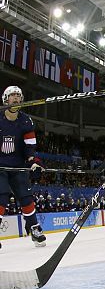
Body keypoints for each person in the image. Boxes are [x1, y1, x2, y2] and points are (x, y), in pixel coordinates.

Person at [0, 86, 46, 248]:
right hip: (0, 166)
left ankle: (34, 228)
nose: (16, 98)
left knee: (26, 197)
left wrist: (34, 162)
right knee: (1, 196)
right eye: (12, 95)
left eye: (18, 96)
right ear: (5, 99)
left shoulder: (26, 121)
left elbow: (29, 147)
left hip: (18, 166)